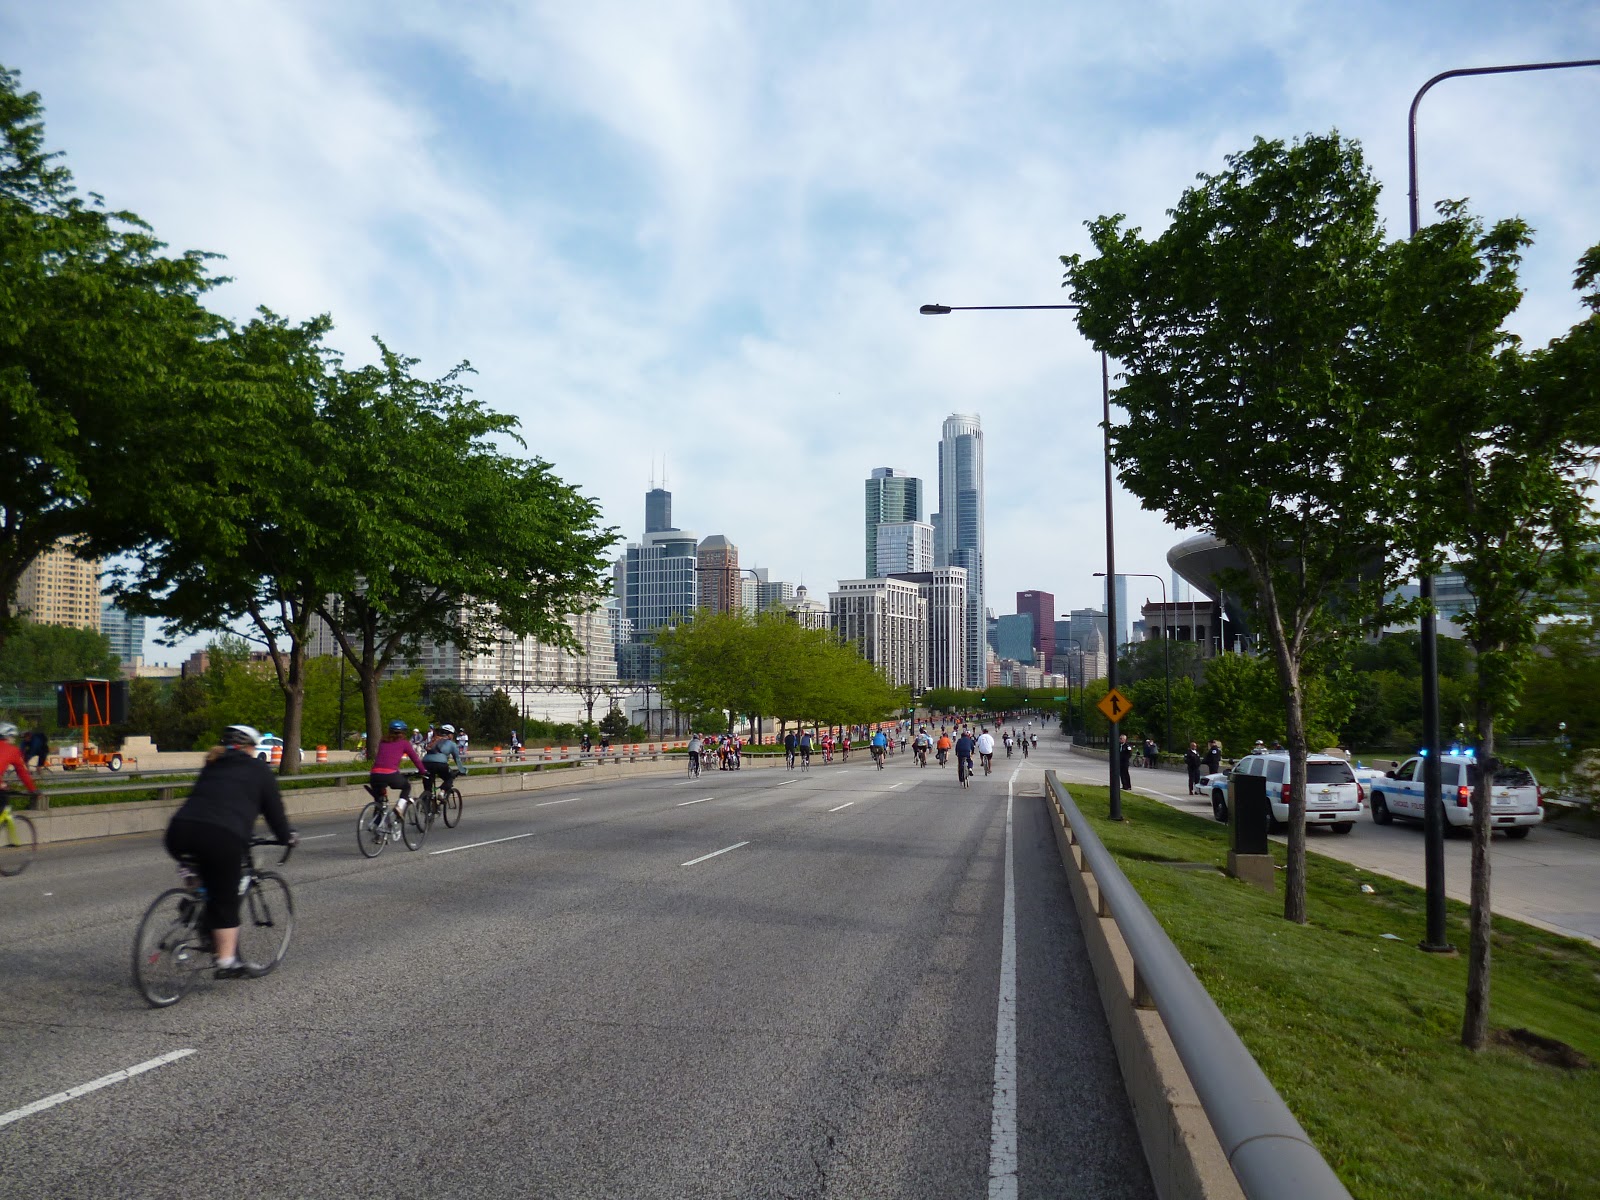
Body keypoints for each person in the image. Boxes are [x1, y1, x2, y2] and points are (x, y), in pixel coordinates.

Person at [163, 725, 295, 978]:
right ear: (250, 747)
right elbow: (274, 812)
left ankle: (193, 906)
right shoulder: (258, 769)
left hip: (179, 832)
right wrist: (286, 837)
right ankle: (227, 962)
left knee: (204, 878)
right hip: (222, 836)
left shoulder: (212, 763)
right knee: (226, 900)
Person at [370, 719, 424, 821]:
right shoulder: (404, 743)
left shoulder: (383, 741)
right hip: (390, 774)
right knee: (406, 787)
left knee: (379, 802)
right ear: (403, 732)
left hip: (375, 774)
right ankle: (399, 807)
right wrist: (423, 771)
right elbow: (415, 759)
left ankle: (376, 826)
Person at [0, 721, 41, 807]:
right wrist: (33, 789)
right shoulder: (12, 750)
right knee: (4, 806)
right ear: (8, 736)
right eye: (13, 736)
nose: (14, 739)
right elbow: (22, 772)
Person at [422, 723, 467, 798]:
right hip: (440, 764)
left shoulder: (433, 740)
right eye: (452, 734)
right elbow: (457, 759)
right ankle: (442, 792)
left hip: (425, 763)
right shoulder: (452, 744)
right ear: (449, 734)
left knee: (428, 785)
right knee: (449, 777)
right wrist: (462, 770)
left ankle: (425, 798)